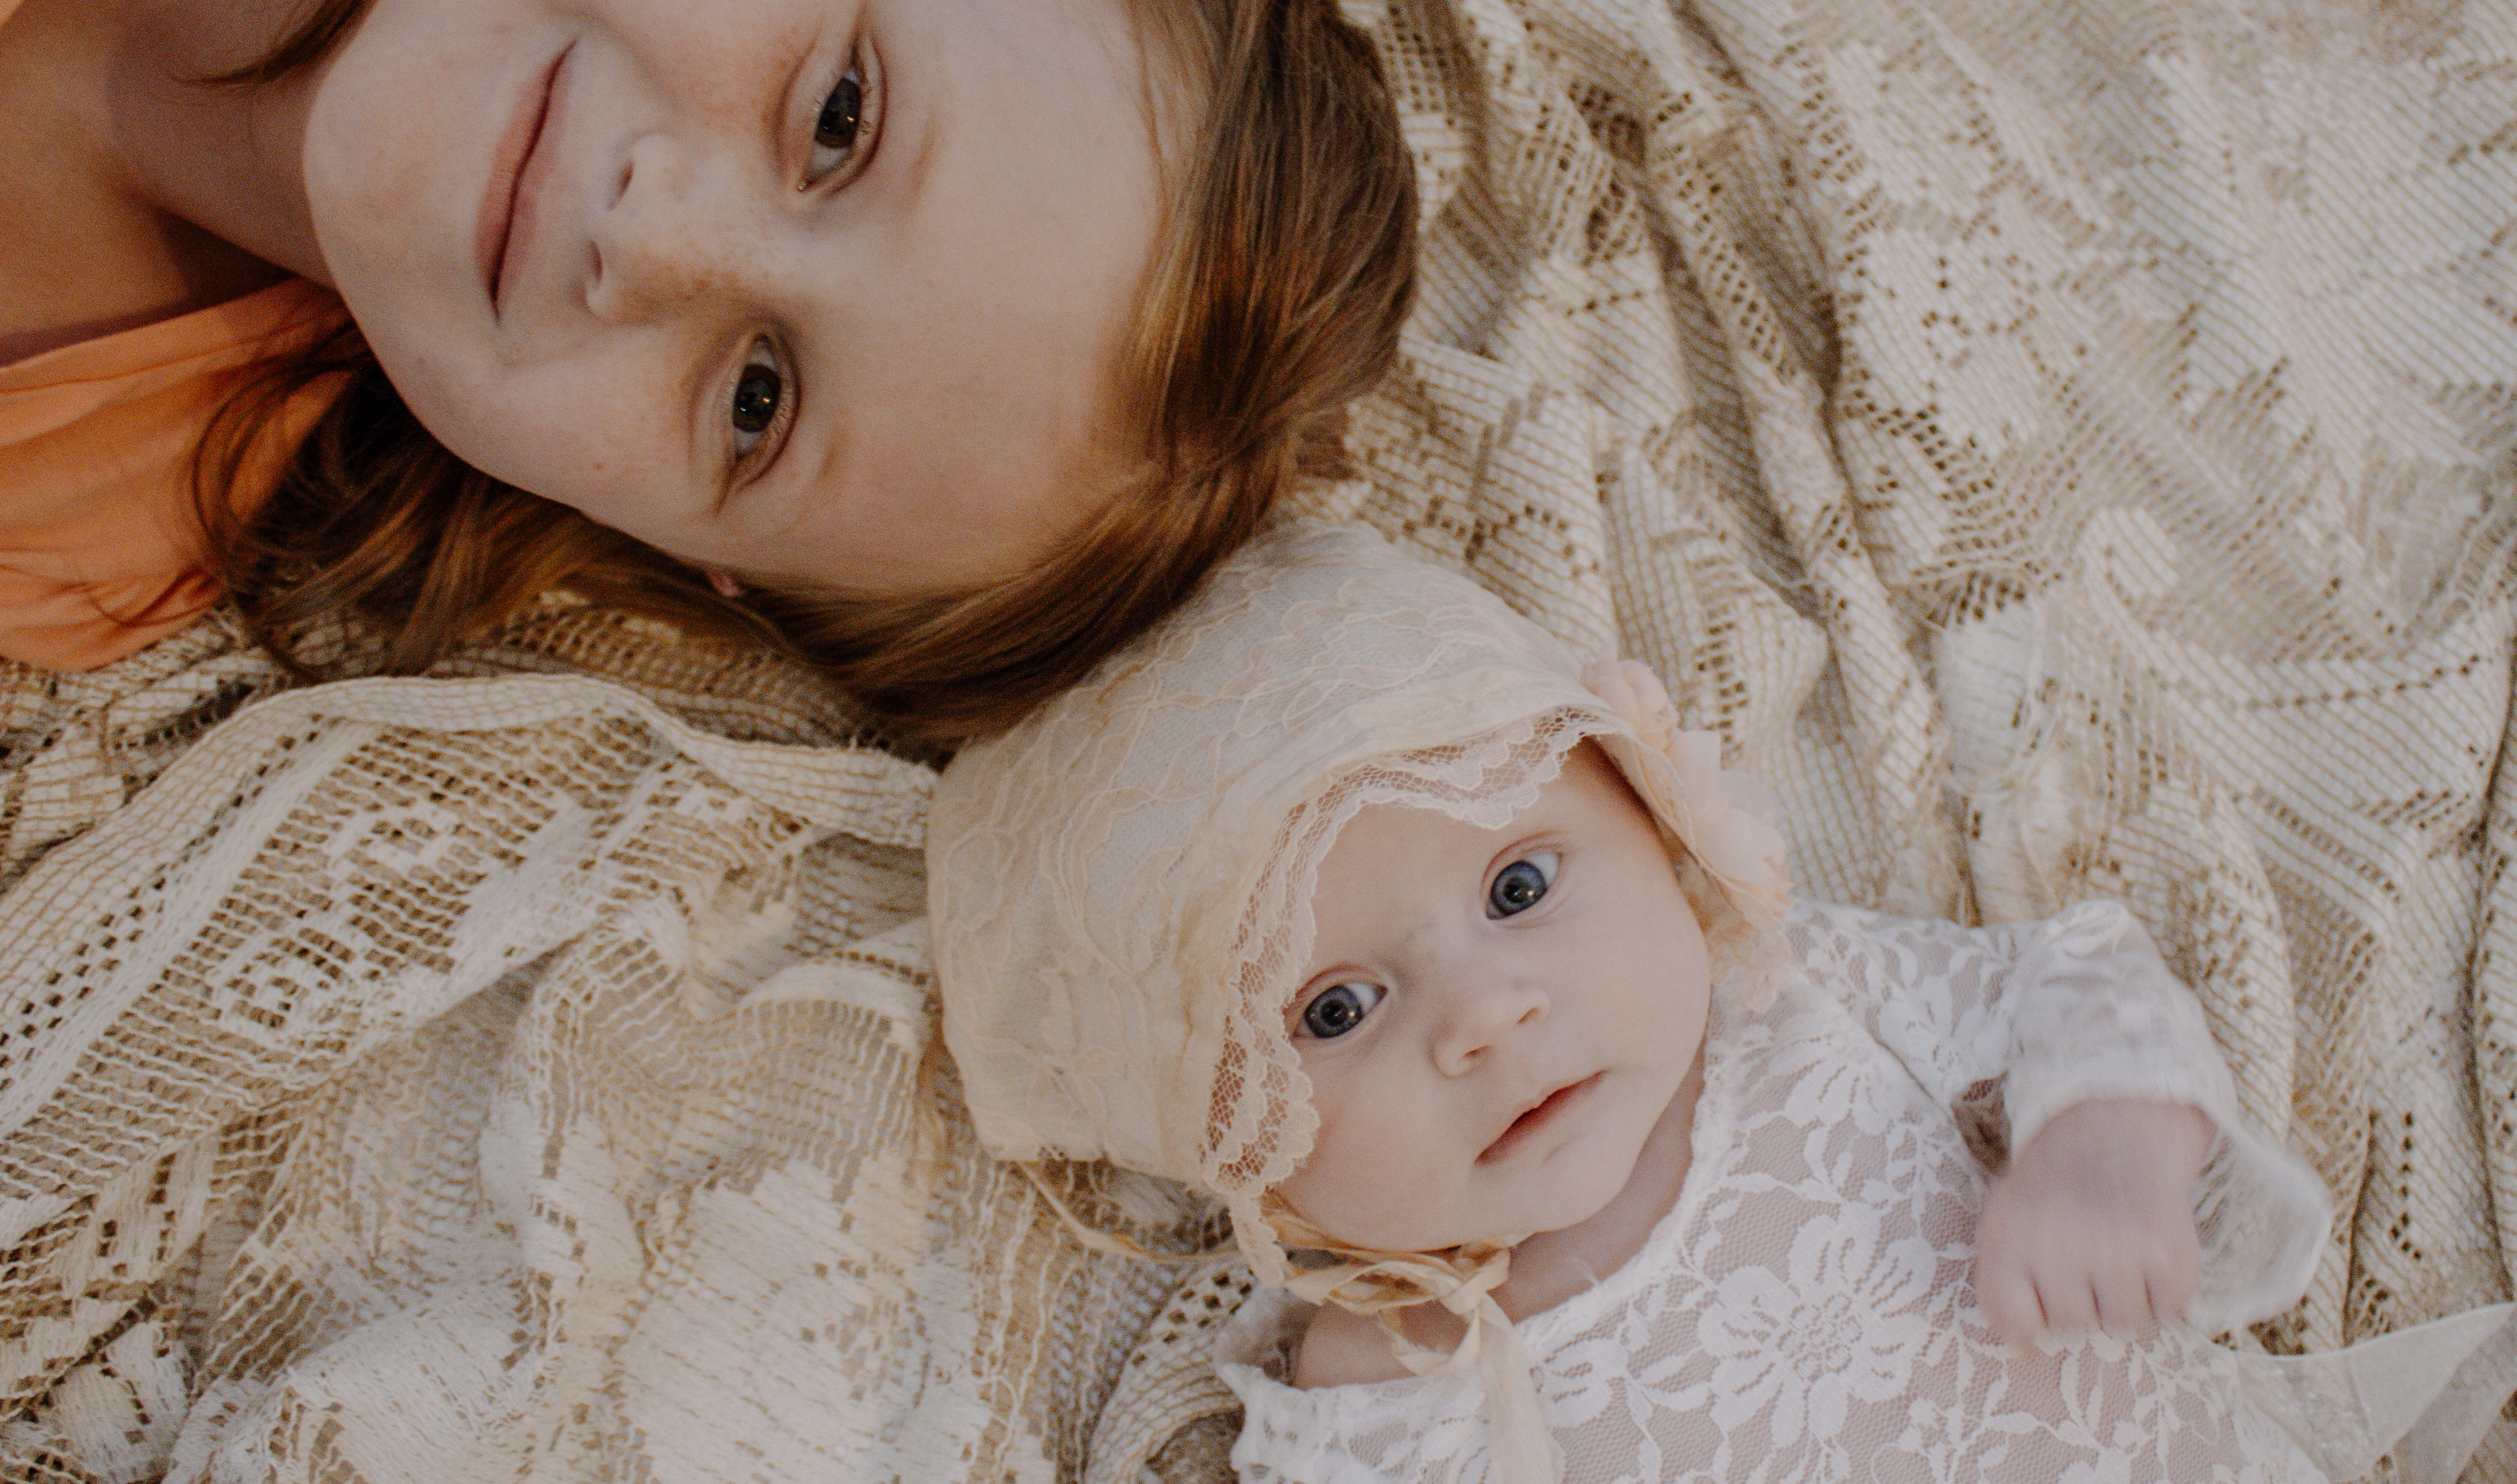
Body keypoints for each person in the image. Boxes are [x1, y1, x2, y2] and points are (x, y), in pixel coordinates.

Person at [0, 0, 1417, 736]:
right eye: (837, 119)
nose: (655, 246)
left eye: (755, 404)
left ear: (656, 539)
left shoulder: (45, 542)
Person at [928, 519, 2517, 1483]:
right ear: (1215, 1134)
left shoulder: (1796, 1002)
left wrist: (2105, 1146)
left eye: (1521, 889)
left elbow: (2069, 977)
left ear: (1656, 821)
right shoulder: (1370, 1402)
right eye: (1335, 1011)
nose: (1484, 1018)